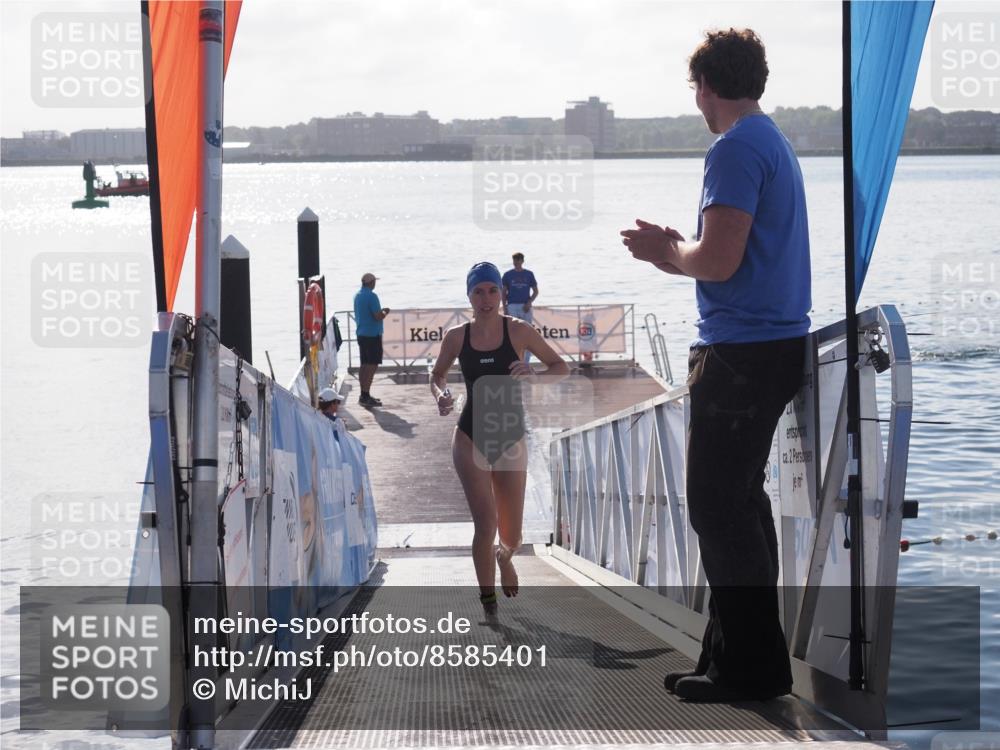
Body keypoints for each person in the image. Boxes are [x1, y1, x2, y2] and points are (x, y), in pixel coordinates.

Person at [620, 28, 810, 703]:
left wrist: (666, 254)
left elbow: (720, 261)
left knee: (717, 507)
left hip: (741, 352)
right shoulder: (773, 141)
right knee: (740, 506)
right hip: (773, 344)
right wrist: (686, 247)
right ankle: (733, 658)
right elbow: (732, 250)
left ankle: (753, 670)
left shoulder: (733, 148)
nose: (696, 101)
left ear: (706, 85)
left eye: (695, 89)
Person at [430, 262, 569, 615]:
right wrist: (441, 395)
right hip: (469, 436)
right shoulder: (457, 336)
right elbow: (437, 375)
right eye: (479, 291)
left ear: (503, 294)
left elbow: (561, 368)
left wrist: (534, 374)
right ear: (469, 295)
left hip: (510, 437)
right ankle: (488, 601)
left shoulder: (520, 332)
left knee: (512, 536)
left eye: (492, 290)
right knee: (485, 524)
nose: (486, 298)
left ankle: (505, 558)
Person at [353, 272, 390, 407]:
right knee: (372, 365)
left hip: (361, 333)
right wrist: (385, 311)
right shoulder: (372, 296)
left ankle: (363, 394)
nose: (375, 283)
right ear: (370, 283)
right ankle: (365, 394)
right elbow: (377, 316)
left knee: (364, 365)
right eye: (374, 281)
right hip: (372, 335)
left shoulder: (357, 295)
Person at [501, 253, 538, 362]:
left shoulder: (529, 274)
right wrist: (505, 307)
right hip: (512, 305)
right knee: (513, 333)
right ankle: (514, 360)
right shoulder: (507, 275)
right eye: (514, 260)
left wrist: (529, 303)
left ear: (522, 261)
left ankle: (525, 362)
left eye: (518, 260)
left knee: (527, 332)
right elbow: (503, 292)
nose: (516, 262)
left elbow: (536, 291)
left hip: (525, 306)